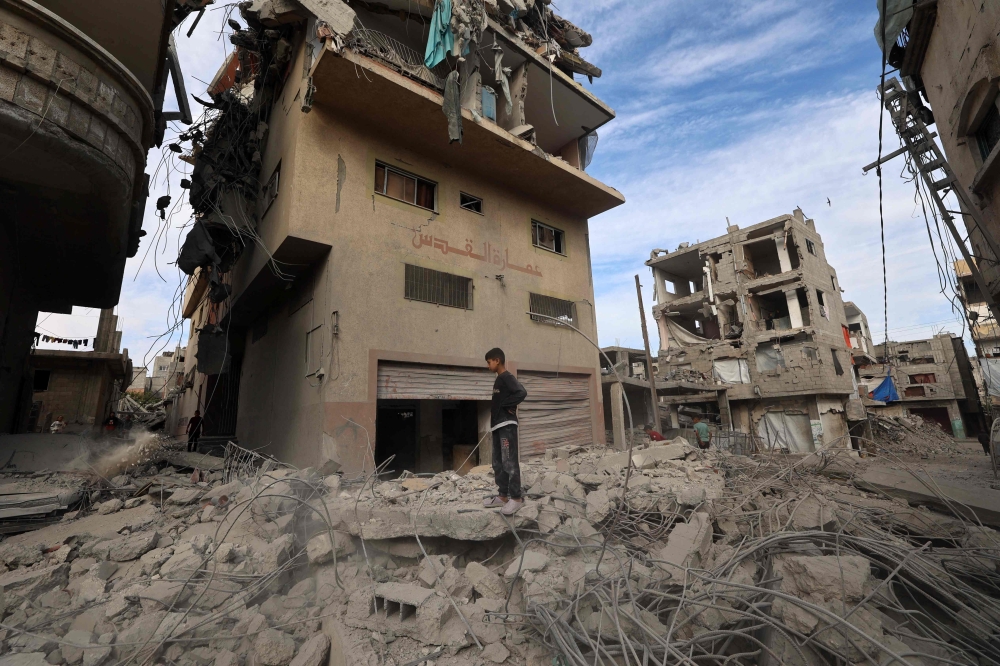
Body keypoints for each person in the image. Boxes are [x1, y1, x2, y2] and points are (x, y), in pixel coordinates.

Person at [482, 348, 527, 516]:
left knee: (509, 462)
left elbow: (522, 392)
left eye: (489, 362)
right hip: (498, 426)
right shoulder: (498, 380)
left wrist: (508, 405)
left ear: (497, 360)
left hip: (507, 425)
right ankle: (502, 496)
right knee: (498, 463)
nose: (488, 366)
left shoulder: (507, 377)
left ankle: (516, 498)